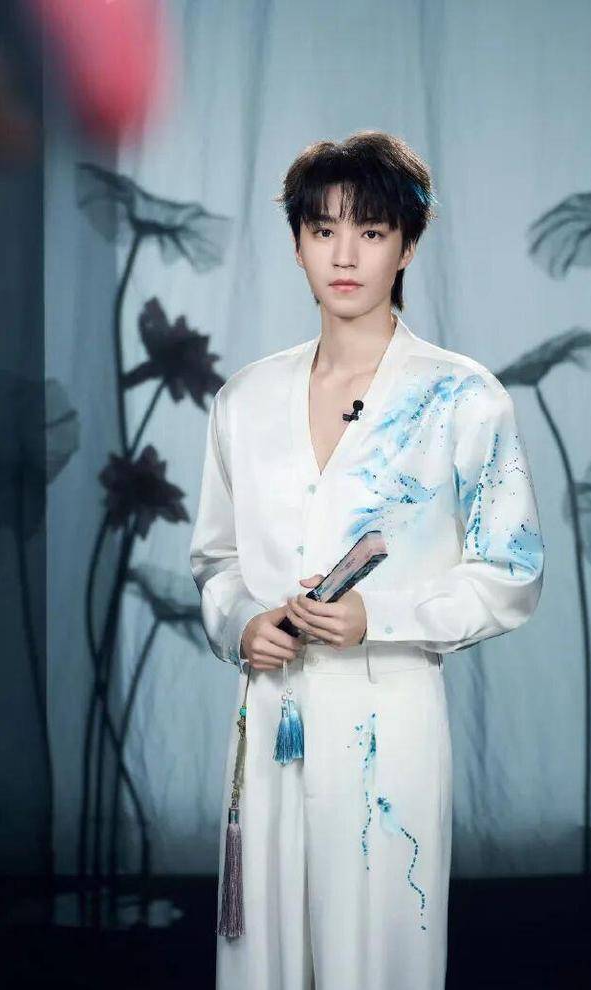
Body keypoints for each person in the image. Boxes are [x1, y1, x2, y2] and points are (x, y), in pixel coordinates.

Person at [189, 130, 544, 990]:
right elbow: (217, 559)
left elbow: (511, 572)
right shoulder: (245, 399)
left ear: (407, 246)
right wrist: (241, 624)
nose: (344, 256)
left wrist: (375, 617)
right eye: (323, 230)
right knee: (264, 959)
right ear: (297, 244)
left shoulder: (462, 397)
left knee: (377, 959)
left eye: (372, 232)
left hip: (391, 722)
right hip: (270, 718)